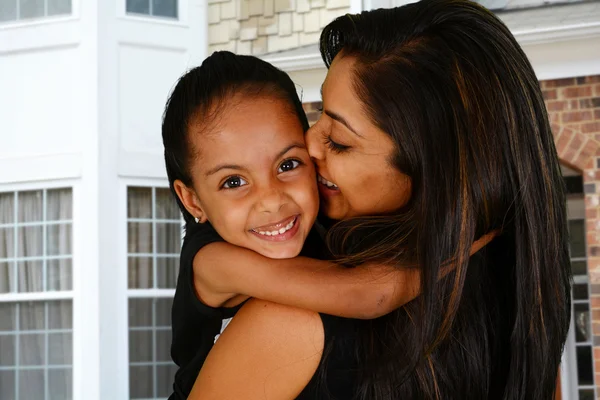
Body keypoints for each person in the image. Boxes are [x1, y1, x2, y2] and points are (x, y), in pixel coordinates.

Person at [186, 0, 572, 399]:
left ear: (430, 172)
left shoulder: (289, 326)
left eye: (339, 140)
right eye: (318, 115)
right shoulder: (528, 313)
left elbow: (372, 295)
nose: (309, 146)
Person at [162, 51, 494, 399]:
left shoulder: (322, 222)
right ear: (193, 200)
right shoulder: (213, 262)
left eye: (288, 164)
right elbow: (368, 294)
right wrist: (470, 234)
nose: (272, 199)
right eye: (233, 182)